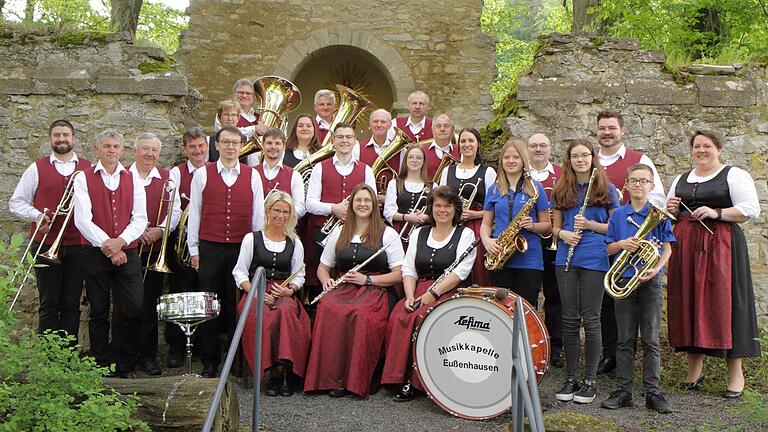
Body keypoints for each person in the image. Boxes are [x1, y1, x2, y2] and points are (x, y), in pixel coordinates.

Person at [666, 130, 761, 399]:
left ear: (718, 148)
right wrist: (672, 208)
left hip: (722, 247)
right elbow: (671, 215)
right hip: (686, 248)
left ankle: (735, 376)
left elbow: (750, 209)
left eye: (707, 146)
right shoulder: (681, 178)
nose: (702, 150)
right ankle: (694, 371)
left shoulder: (734, 175)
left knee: (727, 304)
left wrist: (716, 212)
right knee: (690, 303)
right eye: (697, 146)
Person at [304, 184, 404, 398]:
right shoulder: (340, 231)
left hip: (375, 289)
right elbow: (323, 268)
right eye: (358, 200)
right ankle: (333, 378)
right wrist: (326, 282)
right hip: (343, 288)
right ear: (351, 205)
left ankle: (358, 379)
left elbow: (399, 274)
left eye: (367, 200)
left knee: (361, 314)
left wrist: (367, 279)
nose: (362, 204)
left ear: (374, 205)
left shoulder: (388, 234)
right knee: (328, 308)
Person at [382, 186, 477, 401]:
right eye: (438, 206)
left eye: (447, 206)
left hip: (449, 291)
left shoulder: (466, 234)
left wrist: (431, 295)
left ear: (455, 209)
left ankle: (418, 382)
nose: (442, 210)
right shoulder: (419, 232)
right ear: (431, 208)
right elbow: (408, 269)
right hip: (418, 289)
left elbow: (460, 272)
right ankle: (398, 377)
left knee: (422, 319)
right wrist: (408, 296)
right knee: (399, 316)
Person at [187, 125, 266, 377]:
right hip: (210, 247)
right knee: (209, 304)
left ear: (241, 146)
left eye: (235, 142)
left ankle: (234, 361)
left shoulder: (252, 175)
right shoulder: (203, 174)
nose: (231, 146)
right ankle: (209, 360)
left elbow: (258, 216)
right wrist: (194, 249)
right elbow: (195, 214)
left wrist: (255, 251)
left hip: (240, 249)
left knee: (235, 305)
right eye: (226, 142)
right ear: (217, 145)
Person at [9, 119, 92, 342]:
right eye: (57, 135)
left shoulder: (88, 168)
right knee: (48, 303)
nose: (61, 139)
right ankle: (46, 357)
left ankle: (67, 357)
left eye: (65, 135)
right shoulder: (37, 167)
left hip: (78, 245)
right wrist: (38, 215)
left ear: (73, 138)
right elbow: (16, 202)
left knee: (71, 304)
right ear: (50, 139)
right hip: (45, 242)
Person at [73, 129, 148, 378]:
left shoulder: (133, 178)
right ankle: (100, 364)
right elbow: (83, 220)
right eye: (107, 146)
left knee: (133, 308)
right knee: (99, 310)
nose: (112, 151)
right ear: (97, 149)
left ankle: (125, 363)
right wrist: (110, 246)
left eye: (116, 147)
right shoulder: (82, 178)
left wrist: (121, 242)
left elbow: (140, 219)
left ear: (123, 150)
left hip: (128, 252)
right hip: (95, 253)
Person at [595, 110, 665, 375]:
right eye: (602, 128)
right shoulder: (592, 161)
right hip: (603, 238)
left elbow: (657, 197)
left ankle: (636, 363)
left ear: (622, 131)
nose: (607, 133)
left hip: (636, 239)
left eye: (612, 128)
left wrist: (635, 220)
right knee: (606, 300)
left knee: (633, 300)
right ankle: (610, 355)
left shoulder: (640, 160)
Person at [601, 163, 674, 414]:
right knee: (625, 339)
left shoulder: (658, 214)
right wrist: (622, 243)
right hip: (624, 280)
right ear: (627, 185)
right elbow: (608, 248)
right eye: (633, 180)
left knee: (651, 339)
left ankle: (653, 393)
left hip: (650, 280)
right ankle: (623, 391)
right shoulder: (618, 215)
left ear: (651, 186)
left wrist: (658, 268)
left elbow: (667, 248)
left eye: (643, 181)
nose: (638, 185)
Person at [551, 139, 619, 404]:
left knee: (591, 319)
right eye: (575, 156)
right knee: (569, 319)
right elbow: (554, 229)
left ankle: (590, 379)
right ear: (568, 160)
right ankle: (571, 377)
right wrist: (564, 233)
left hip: (595, 257)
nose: (580, 160)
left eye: (585, 155)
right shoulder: (561, 189)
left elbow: (615, 229)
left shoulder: (607, 189)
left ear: (592, 158)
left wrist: (590, 224)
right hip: (565, 258)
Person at [233, 191, 309, 397]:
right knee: (262, 316)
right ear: (267, 211)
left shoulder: (295, 242)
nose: (280, 216)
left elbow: (299, 274)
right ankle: (272, 372)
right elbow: (239, 272)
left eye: (285, 212)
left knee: (285, 314)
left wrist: (290, 289)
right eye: (277, 210)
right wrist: (255, 293)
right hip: (255, 290)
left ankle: (284, 371)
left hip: (282, 292)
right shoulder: (252, 239)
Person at [129, 133, 182, 375]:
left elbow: (176, 209)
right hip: (129, 248)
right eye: (145, 149)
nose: (150, 154)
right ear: (134, 152)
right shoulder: (123, 175)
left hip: (154, 250)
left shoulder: (167, 176)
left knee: (150, 305)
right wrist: (136, 232)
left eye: (154, 150)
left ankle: (147, 357)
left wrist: (160, 230)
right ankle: (126, 354)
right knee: (126, 305)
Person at [305, 122, 376, 293]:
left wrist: (352, 213)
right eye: (340, 137)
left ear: (355, 142)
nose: (344, 140)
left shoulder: (366, 170)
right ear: (333, 140)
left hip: (355, 235)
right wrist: (333, 208)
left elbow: (372, 204)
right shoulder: (319, 168)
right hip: (322, 232)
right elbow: (310, 203)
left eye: (349, 137)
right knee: (320, 280)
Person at [481, 138, 550, 308]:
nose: (511, 161)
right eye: (507, 158)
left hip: (529, 260)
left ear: (523, 160)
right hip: (500, 256)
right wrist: (487, 241)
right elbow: (486, 224)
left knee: (526, 309)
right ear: (501, 161)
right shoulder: (494, 189)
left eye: (516, 157)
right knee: (501, 310)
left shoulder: (535, 188)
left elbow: (547, 225)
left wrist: (532, 226)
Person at [165, 127, 209, 367]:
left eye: (201, 146)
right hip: (180, 245)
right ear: (185, 150)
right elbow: (172, 208)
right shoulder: (176, 173)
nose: (197, 151)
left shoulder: (215, 170)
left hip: (208, 242)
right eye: (192, 147)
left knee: (204, 292)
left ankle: (203, 345)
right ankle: (176, 346)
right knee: (180, 292)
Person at [439, 127, 496, 286]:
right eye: (463, 141)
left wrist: (475, 215)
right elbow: (440, 202)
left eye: (471, 140)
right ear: (458, 145)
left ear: (478, 144)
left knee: (478, 270)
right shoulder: (447, 171)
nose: (467, 144)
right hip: (451, 226)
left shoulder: (488, 172)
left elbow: (496, 207)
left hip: (478, 226)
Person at [527, 132, 564, 367]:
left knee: (555, 297)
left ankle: (555, 348)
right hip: (528, 242)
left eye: (543, 145)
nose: (538, 149)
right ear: (527, 149)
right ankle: (530, 346)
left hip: (553, 242)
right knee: (528, 296)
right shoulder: (521, 174)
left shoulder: (560, 174)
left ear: (550, 149)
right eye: (533, 146)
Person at [248, 128, 305, 218]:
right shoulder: (250, 173)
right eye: (269, 143)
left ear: (284, 146)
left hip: (283, 229)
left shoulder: (295, 175)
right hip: (255, 229)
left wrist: (282, 215)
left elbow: (300, 208)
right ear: (262, 145)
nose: (273, 147)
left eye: (277, 143)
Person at [383, 144, 431, 244]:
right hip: (398, 233)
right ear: (405, 161)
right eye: (410, 157)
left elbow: (436, 211)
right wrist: (407, 217)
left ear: (423, 162)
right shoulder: (394, 183)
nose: (414, 160)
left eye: (419, 158)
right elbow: (388, 212)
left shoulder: (432, 186)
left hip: (423, 235)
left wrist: (425, 217)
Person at [356, 109, 400, 205]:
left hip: (392, 205)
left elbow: (403, 178)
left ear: (389, 125)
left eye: (383, 122)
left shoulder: (401, 150)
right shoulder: (357, 148)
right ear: (370, 124)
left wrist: (389, 197)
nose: (379, 125)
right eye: (375, 121)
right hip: (364, 203)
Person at [423, 114, 460, 181]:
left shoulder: (460, 150)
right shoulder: (422, 150)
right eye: (438, 126)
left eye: (446, 126)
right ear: (433, 130)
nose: (442, 129)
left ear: (452, 130)